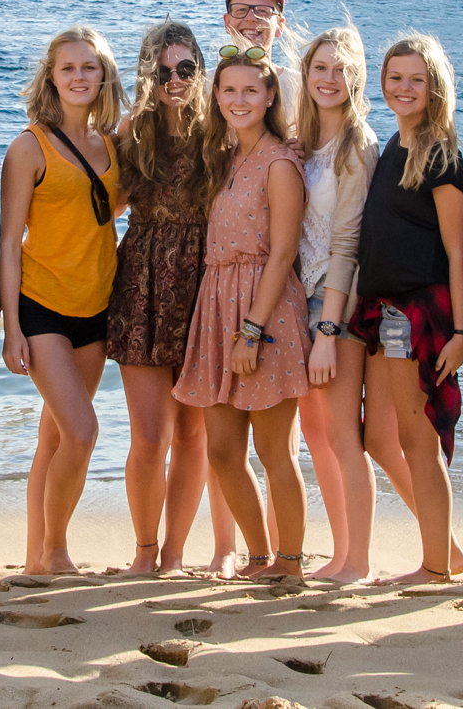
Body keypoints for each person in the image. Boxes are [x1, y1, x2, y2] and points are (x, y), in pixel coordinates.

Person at [173, 53, 311, 579]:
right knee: (223, 452)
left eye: (250, 90)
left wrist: (251, 330)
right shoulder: (225, 156)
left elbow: (283, 252)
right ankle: (258, 556)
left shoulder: (280, 162)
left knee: (274, 451)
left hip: (265, 309)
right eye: (228, 90)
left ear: (270, 96)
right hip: (216, 305)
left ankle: (290, 563)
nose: (238, 100)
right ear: (215, 96)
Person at [109, 20, 240, 575]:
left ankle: (174, 554)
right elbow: (106, 205)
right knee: (149, 436)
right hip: (141, 283)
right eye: (162, 72)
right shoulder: (131, 131)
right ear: (147, 74)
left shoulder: (219, 130)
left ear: (201, 70)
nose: (175, 80)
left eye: (186, 68)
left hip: (203, 287)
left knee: (193, 434)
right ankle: (144, 551)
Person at [0, 27, 127, 574]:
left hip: (96, 307)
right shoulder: (29, 147)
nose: (79, 77)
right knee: (82, 431)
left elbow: (107, 209)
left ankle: (35, 558)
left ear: (104, 76)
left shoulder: (113, 144)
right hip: (42, 306)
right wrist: (11, 327)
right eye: (68, 68)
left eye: (89, 67)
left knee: (54, 438)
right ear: (51, 77)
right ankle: (55, 550)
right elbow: (8, 241)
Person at [349, 33, 463, 585]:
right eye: (395, 78)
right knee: (378, 438)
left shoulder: (441, 156)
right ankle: (448, 549)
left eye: (416, 80)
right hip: (379, 312)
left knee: (418, 443)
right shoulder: (392, 149)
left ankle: (434, 567)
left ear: (435, 86)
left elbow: (457, 252)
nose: (404, 88)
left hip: (417, 314)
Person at [293, 27, 382, 584]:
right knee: (314, 430)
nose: (329, 79)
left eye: (341, 70)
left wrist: (328, 330)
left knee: (343, 432)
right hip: (298, 292)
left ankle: (359, 560)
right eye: (320, 68)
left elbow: (348, 243)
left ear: (356, 79)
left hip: (337, 298)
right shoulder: (301, 138)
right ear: (305, 74)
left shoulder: (357, 144)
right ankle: (340, 549)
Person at [220, 0, 301, 112]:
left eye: (263, 11)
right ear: (227, 23)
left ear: (279, 26)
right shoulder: (206, 84)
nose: (251, 18)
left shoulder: (299, 87)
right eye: (241, 10)